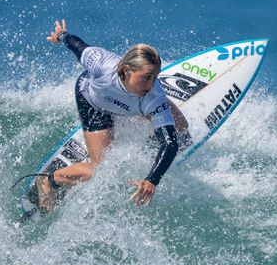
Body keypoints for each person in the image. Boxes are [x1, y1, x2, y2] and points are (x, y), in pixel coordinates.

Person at [34, 19, 188, 213]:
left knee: (181, 126)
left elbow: (170, 143)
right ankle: (49, 179)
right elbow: (77, 46)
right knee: (101, 168)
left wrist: (151, 179)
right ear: (126, 70)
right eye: (146, 77)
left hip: (135, 103)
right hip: (94, 103)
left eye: (155, 77)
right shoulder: (101, 63)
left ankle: (143, 114)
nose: (152, 84)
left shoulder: (153, 95)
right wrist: (62, 36)